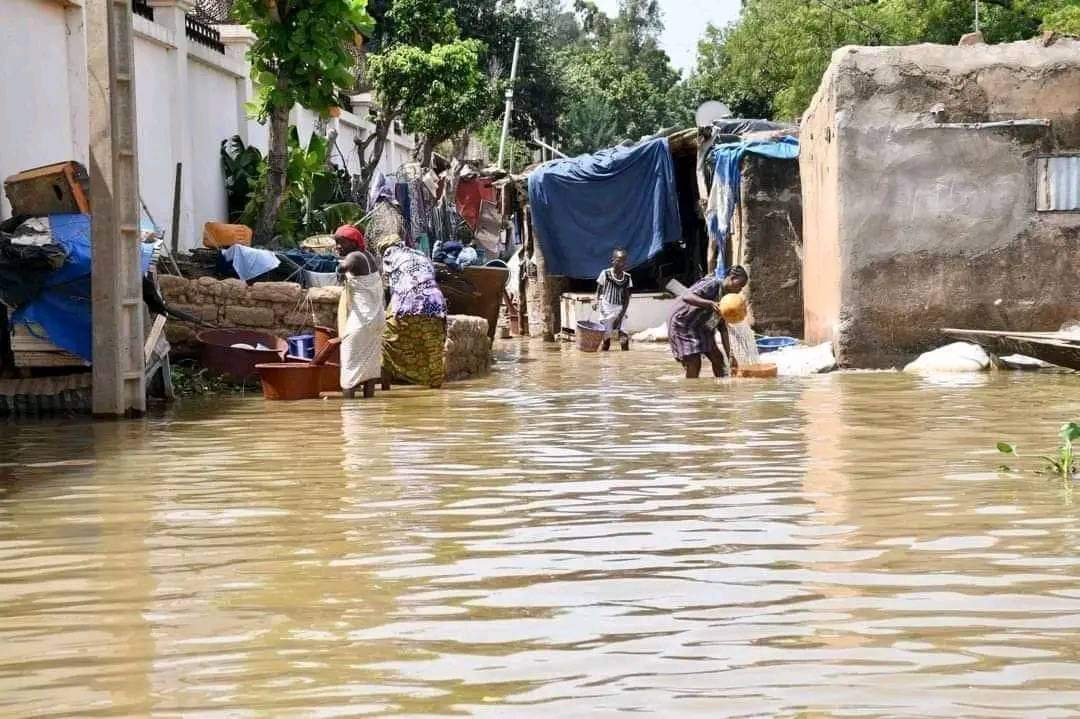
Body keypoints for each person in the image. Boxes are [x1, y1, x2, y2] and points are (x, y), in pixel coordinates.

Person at [373, 233, 448, 389]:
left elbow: (389, 287)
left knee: (386, 342)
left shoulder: (390, 255)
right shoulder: (420, 254)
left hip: (407, 302)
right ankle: (436, 391)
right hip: (435, 302)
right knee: (433, 348)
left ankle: (385, 387)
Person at [667, 265, 749, 378]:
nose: (740, 290)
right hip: (684, 325)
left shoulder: (727, 299)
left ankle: (722, 389)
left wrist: (731, 356)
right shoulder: (712, 284)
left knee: (718, 359)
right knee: (694, 362)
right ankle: (691, 391)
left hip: (702, 328)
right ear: (732, 277)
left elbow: (723, 330)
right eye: (740, 285)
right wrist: (709, 303)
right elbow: (686, 296)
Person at [336, 240, 385, 399]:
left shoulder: (354, 256)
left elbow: (343, 267)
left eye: (341, 242)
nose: (337, 246)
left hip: (361, 322)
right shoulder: (368, 256)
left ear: (353, 243)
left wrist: (339, 268)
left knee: (348, 368)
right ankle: (369, 406)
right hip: (376, 319)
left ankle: (348, 408)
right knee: (369, 366)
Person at [594, 248, 632, 351]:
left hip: (620, 309)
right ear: (613, 261)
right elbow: (598, 290)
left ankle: (624, 363)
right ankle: (605, 363)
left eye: (624, 260)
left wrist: (620, 316)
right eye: (619, 260)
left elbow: (626, 299)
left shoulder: (627, 278)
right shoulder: (605, 274)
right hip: (606, 309)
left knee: (624, 339)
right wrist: (595, 301)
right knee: (606, 342)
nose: (621, 263)